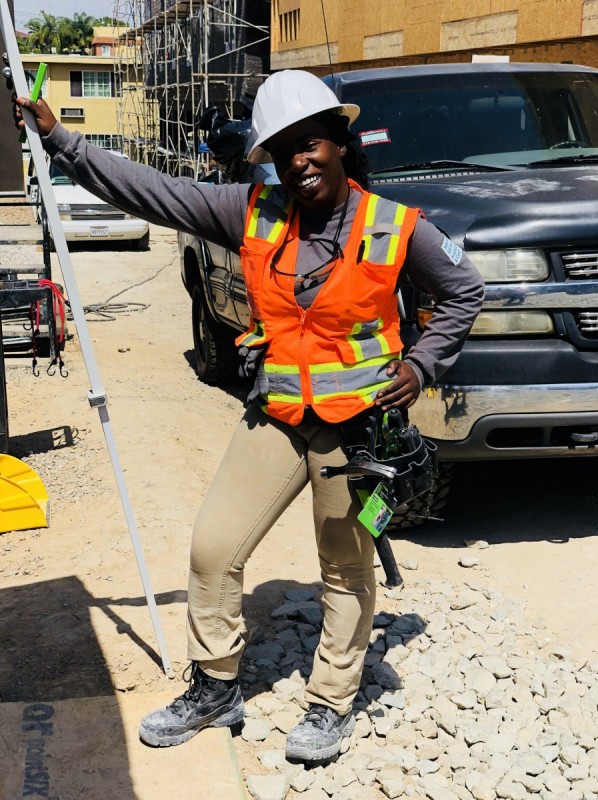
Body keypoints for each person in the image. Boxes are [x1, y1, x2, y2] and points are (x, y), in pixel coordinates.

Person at [12, 69, 484, 762]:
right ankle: (216, 685)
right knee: (213, 548)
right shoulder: (253, 210)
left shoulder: (397, 227)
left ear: (340, 144)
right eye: (284, 148)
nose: (299, 160)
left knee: (345, 569)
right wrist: (66, 144)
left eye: (312, 143)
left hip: (355, 433)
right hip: (279, 416)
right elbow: (160, 193)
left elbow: (465, 291)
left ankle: (330, 701)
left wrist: (419, 367)